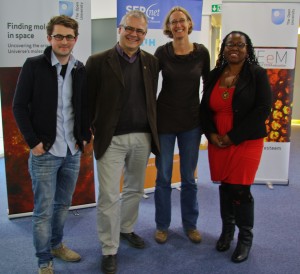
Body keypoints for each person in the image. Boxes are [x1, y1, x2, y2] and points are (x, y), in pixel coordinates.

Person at [12, 15, 91, 274]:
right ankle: (43, 258)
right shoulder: (33, 66)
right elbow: (19, 107)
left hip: (71, 151)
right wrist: (33, 142)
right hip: (44, 152)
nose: (64, 41)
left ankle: (57, 245)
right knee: (43, 211)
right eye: (59, 36)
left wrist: (84, 136)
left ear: (75, 40)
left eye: (69, 37)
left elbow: (83, 106)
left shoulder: (80, 69)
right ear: (49, 38)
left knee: (63, 205)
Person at [85, 10, 159, 274]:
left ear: (145, 35)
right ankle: (109, 248)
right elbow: (87, 101)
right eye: (129, 28)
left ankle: (126, 228)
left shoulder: (151, 62)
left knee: (134, 189)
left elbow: (151, 98)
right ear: (119, 28)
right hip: (111, 138)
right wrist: (88, 131)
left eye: (140, 31)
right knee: (108, 195)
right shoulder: (97, 61)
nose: (134, 34)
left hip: (142, 136)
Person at [200, 31, 272, 263]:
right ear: (224, 48)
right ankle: (227, 231)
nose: (235, 48)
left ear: (247, 49)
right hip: (217, 139)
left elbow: (263, 109)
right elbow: (204, 109)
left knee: (240, 189)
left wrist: (233, 136)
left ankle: (245, 238)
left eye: (240, 45)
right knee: (225, 187)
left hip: (246, 140)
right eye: (230, 44)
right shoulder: (214, 75)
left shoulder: (257, 75)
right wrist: (211, 133)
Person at [153, 6, 210, 244]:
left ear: (189, 24)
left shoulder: (202, 53)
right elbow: (147, 86)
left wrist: (207, 120)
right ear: (169, 27)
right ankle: (162, 225)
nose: (178, 25)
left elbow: (208, 86)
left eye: (182, 20)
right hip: (164, 122)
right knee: (163, 177)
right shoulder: (161, 52)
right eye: (173, 21)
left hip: (191, 123)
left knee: (188, 178)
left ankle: (190, 225)